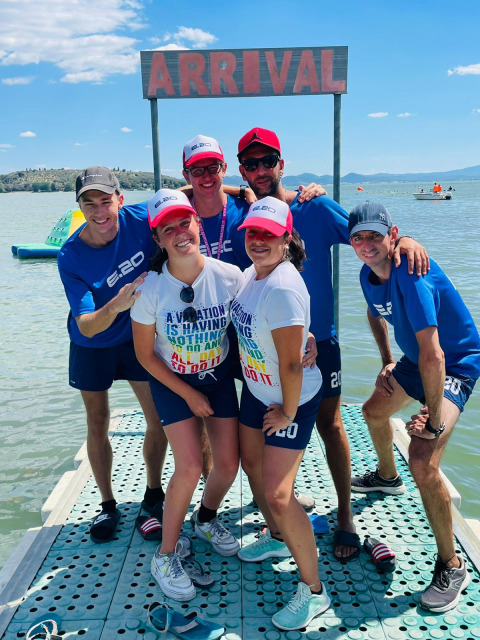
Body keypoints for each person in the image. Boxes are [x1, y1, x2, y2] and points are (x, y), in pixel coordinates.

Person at [235, 127, 430, 560]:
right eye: (251, 164)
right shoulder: (248, 213)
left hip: (320, 343)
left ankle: (345, 516)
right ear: (242, 171)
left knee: (330, 425)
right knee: (269, 428)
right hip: (268, 350)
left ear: (282, 165)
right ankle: (281, 510)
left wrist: (408, 240)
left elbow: (370, 239)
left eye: (269, 162)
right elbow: (201, 191)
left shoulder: (315, 206)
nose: (261, 171)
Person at [348, 200, 480, 612]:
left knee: (423, 459)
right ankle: (388, 476)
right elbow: (376, 314)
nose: (366, 245)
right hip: (416, 359)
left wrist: (434, 420)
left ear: (394, 234)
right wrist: (387, 358)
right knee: (373, 412)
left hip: (455, 362)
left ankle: (451, 563)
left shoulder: (411, 272)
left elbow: (436, 357)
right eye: (358, 238)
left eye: (375, 235)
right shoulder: (368, 275)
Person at [131, 189, 244, 602]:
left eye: (185, 222)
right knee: (191, 465)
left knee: (228, 466)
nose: (180, 233)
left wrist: (306, 339)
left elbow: (267, 312)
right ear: (158, 239)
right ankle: (165, 555)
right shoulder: (150, 290)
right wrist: (188, 395)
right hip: (171, 381)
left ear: (198, 223)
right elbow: (145, 356)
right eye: (168, 228)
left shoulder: (231, 276)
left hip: (217, 378)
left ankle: (206, 519)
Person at [231, 197, 330, 631]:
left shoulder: (283, 284)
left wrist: (288, 412)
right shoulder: (253, 274)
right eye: (252, 232)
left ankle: (314, 591)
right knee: (250, 463)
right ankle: (275, 539)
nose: (258, 240)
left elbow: (292, 364)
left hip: (290, 399)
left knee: (278, 495)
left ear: (287, 238)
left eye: (268, 234)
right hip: (257, 391)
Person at [57, 167, 168, 543]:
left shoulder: (141, 218)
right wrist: (116, 306)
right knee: (97, 420)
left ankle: (153, 493)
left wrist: (244, 193)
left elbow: (191, 191)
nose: (99, 211)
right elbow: (86, 324)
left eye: (106, 201)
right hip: (93, 343)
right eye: (89, 203)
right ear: (80, 207)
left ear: (121, 199)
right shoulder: (70, 256)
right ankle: (107, 505)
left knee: (158, 416)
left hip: (138, 336)